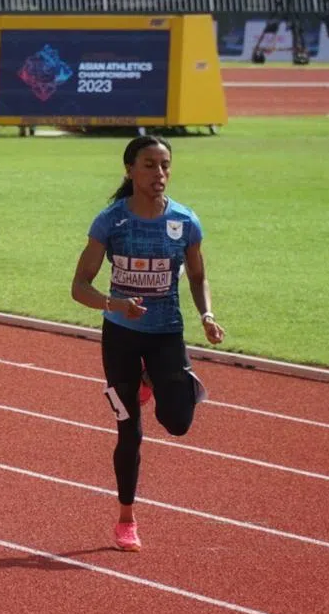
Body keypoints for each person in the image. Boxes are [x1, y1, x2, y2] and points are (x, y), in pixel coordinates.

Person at [70, 135, 225, 553]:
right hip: (120, 334)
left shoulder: (185, 221)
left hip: (166, 333)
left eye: (165, 166)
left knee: (177, 422)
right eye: (150, 165)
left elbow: (197, 277)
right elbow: (79, 286)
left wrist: (206, 315)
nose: (159, 174)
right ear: (130, 170)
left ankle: (151, 379)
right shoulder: (111, 221)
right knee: (129, 432)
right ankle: (126, 519)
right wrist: (113, 303)